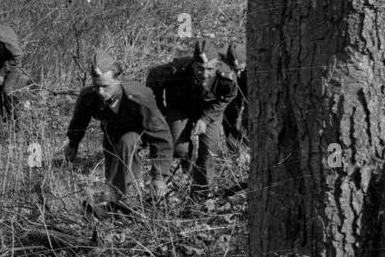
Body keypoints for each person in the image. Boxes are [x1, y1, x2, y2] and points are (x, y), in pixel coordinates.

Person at [65, 49, 173, 209]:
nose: (100, 92)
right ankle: (116, 201)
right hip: (111, 133)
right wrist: (73, 144)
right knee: (113, 172)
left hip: (139, 132)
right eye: (96, 86)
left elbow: (160, 135)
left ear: (117, 80)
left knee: (127, 142)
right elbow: (78, 122)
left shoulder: (139, 97)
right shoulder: (88, 96)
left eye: (105, 86)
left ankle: (130, 201)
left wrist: (159, 177)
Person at [145, 39, 238, 200]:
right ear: (193, 64)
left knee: (208, 149)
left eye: (209, 69)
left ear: (216, 66)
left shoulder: (227, 77)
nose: (204, 73)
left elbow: (228, 97)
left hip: (210, 111)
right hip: (180, 108)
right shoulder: (177, 69)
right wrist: (161, 110)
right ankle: (186, 168)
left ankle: (201, 192)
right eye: (199, 68)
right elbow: (154, 76)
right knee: (179, 148)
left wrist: (206, 118)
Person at [221, 42, 248, 152]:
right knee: (228, 118)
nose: (239, 73)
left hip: (248, 88)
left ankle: (249, 147)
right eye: (235, 69)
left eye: (240, 69)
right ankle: (234, 150)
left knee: (249, 120)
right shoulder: (223, 63)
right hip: (233, 88)